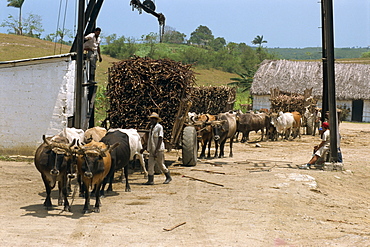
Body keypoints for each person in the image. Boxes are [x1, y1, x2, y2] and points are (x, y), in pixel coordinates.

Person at [141, 112, 172, 185]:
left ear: (156, 120)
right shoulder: (151, 127)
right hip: (152, 149)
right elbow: (150, 140)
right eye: (151, 119)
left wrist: (156, 150)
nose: (151, 120)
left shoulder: (159, 127)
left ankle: (168, 176)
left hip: (159, 149)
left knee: (160, 164)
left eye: (153, 119)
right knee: (150, 164)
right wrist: (144, 148)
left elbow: (160, 138)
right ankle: (150, 180)